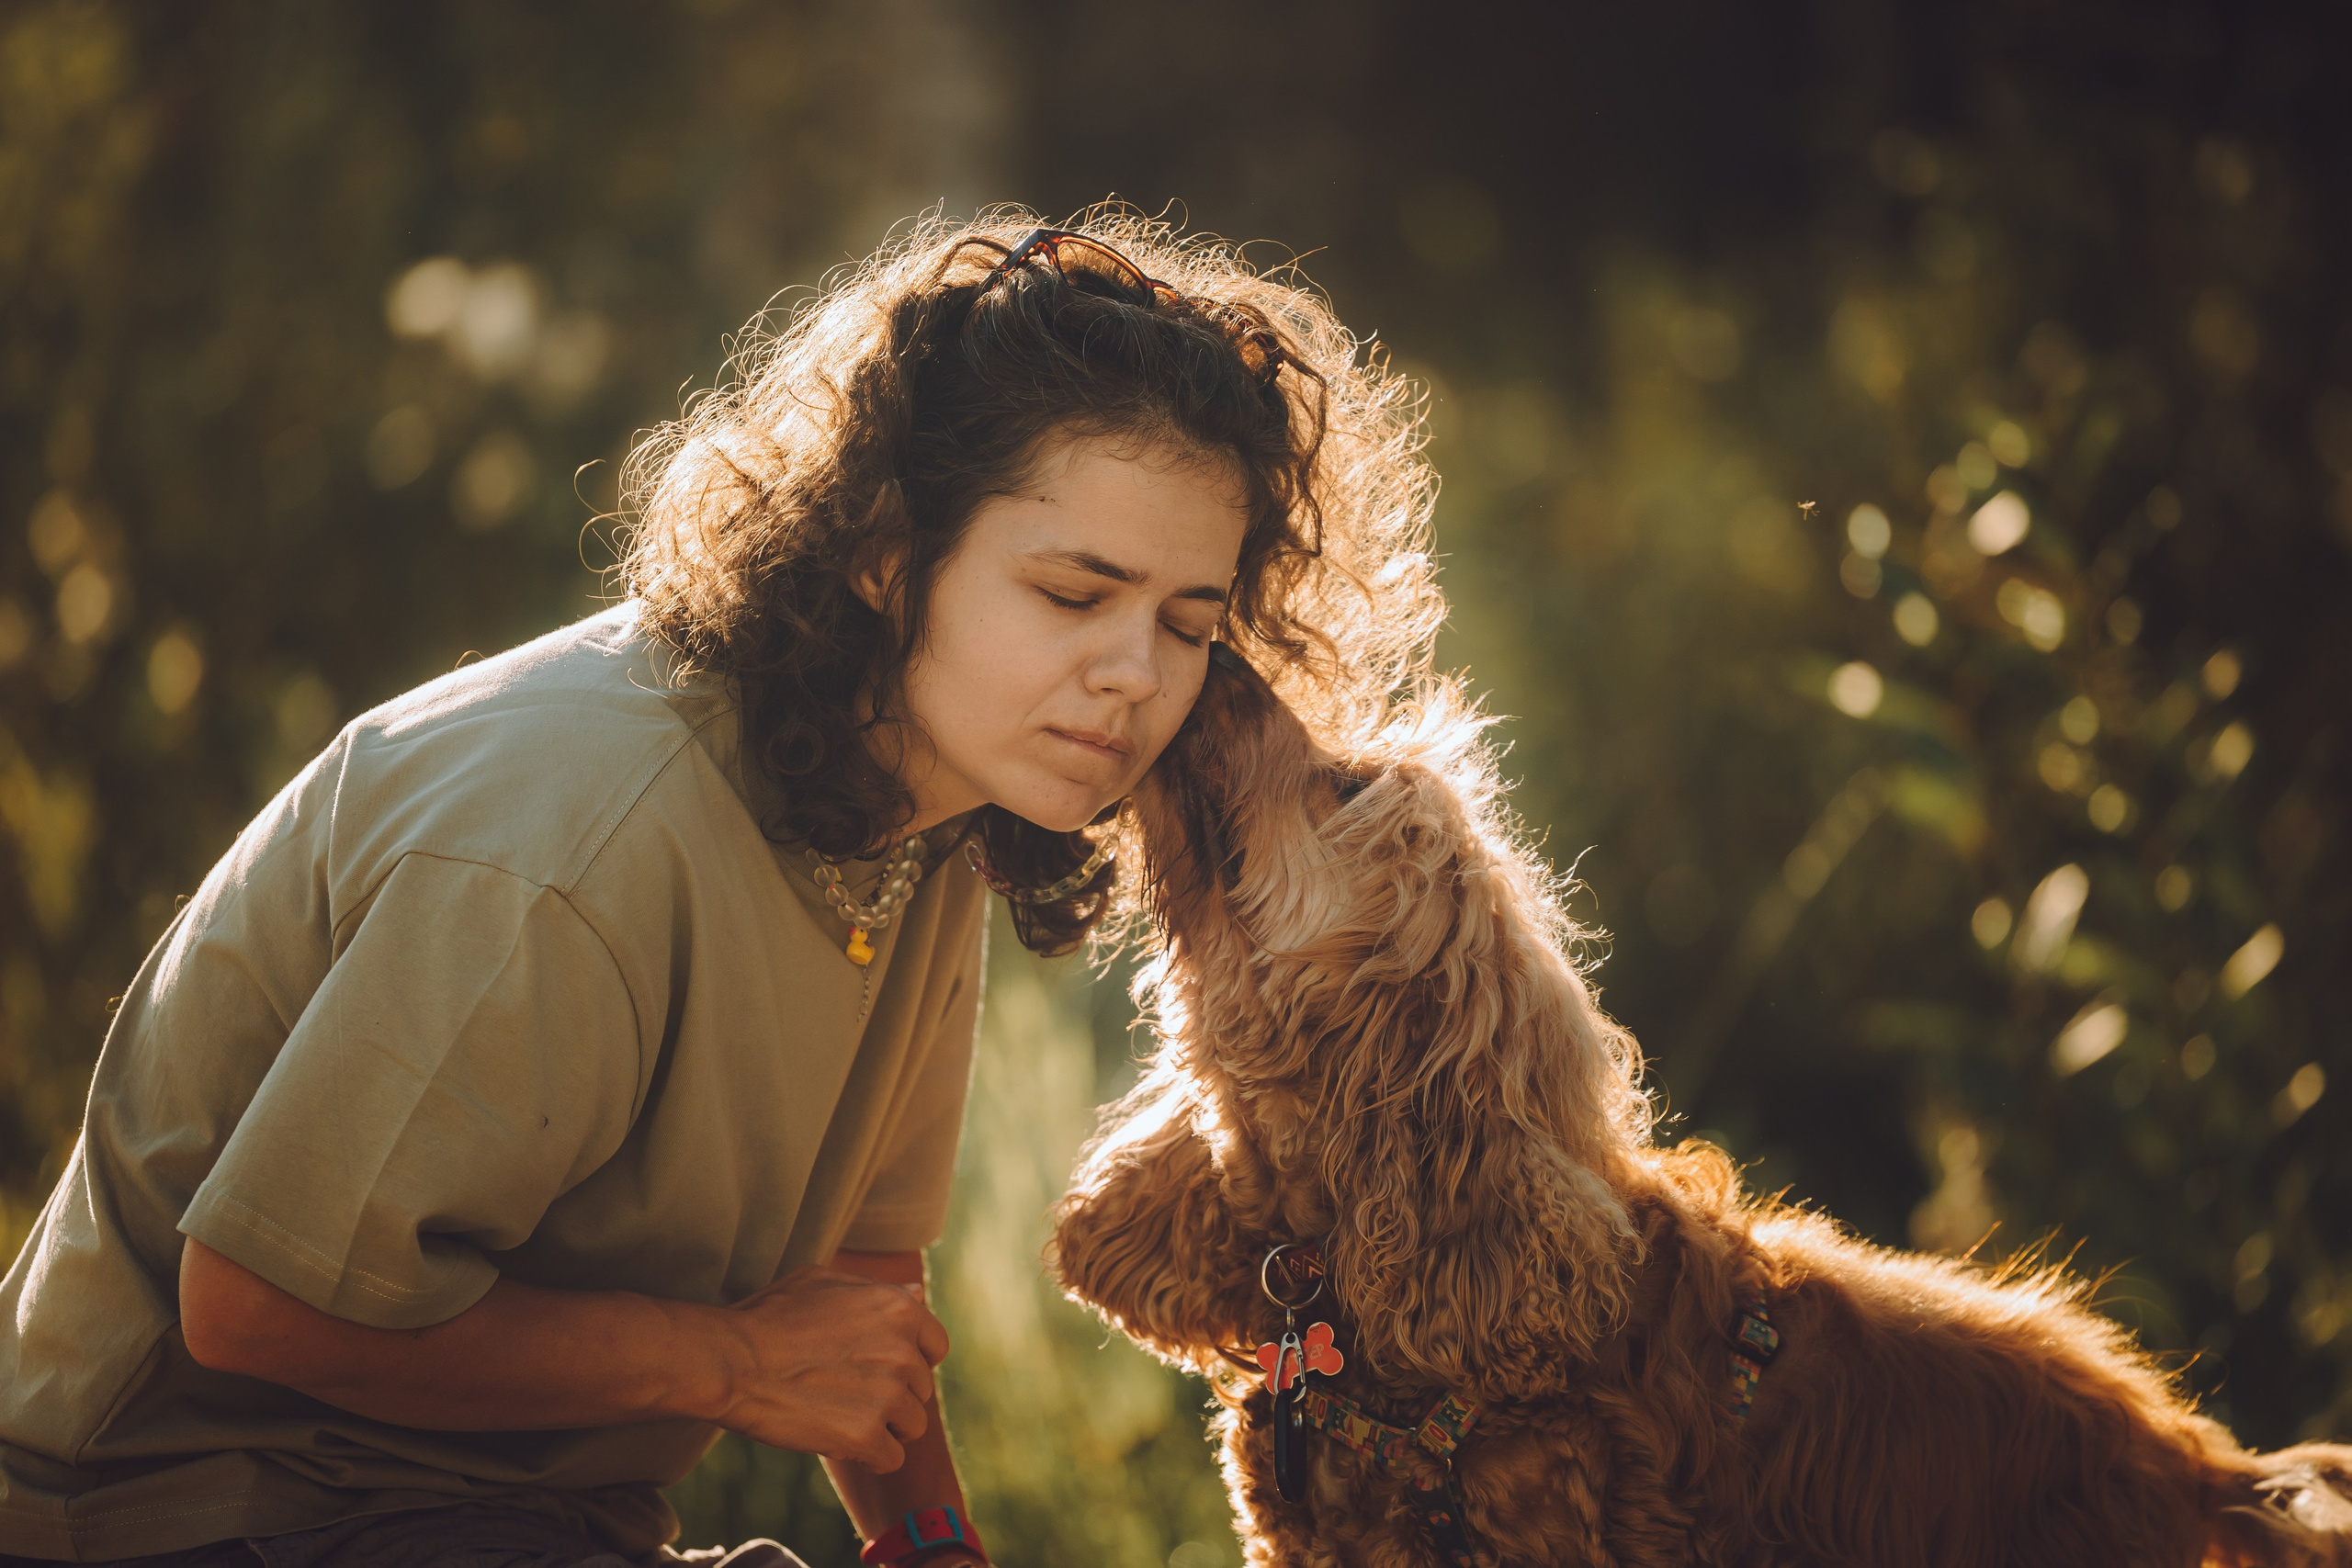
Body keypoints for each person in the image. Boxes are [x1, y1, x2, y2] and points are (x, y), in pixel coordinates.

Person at [0, 210, 1442, 1568]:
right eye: (1074, 596)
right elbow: (255, 1306)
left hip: (531, 1524)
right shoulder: (571, 837)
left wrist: (929, 1548)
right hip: (188, 1515)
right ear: (887, 554)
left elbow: (865, 1289)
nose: (1136, 676)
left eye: (1187, 625)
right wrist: (733, 1367)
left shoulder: (929, 808)